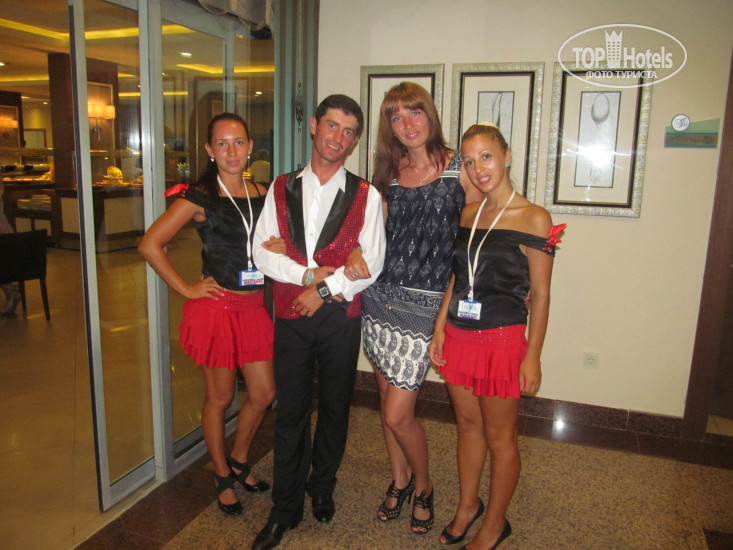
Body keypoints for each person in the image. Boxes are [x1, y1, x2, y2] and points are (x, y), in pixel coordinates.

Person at [250, 94, 385, 550]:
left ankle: (322, 485)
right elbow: (261, 253)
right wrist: (306, 276)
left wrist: (324, 291)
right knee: (290, 412)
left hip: (340, 318)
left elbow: (372, 264)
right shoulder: (280, 187)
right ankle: (284, 508)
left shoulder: (367, 195)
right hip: (290, 316)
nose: (338, 137)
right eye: (331, 125)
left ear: (355, 140)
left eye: (348, 132)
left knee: (334, 406)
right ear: (313, 126)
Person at [351, 81, 483, 535]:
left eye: (414, 112)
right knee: (386, 400)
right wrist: (353, 251)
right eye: (396, 116)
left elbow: (476, 242)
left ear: (430, 115)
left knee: (397, 413)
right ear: (389, 126)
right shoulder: (387, 175)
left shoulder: (459, 168)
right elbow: (372, 237)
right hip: (379, 300)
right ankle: (400, 479)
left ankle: (423, 485)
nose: (407, 123)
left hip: (427, 308)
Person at [429, 123, 565, 550]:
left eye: (486, 157)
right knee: (468, 426)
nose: (478, 169)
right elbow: (458, 276)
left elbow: (541, 294)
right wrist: (439, 327)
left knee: (499, 437)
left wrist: (533, 356)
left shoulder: (534, 218)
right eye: (469, 162)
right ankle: (468, 506)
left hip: (502, 342)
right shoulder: (469, 213)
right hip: (459, 335)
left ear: (507, 155)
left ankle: (494, 523)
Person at [138, 113, 276, 517]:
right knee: (220, 397)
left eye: (239, 142)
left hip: (253, 308)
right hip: (217, 309)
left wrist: (280, 247)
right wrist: (186, 288)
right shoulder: (200, 196)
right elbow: (149, 244)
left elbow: (271, 242)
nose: (232, 151)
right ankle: (221, 473)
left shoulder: (263, 192)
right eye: (222, 143)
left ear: (250, 146)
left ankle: (238, 459)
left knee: (264, 394)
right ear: (209, 150)